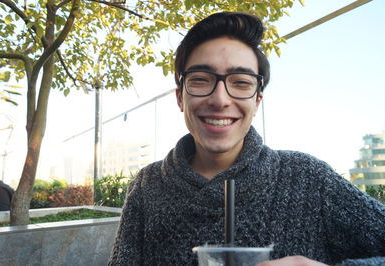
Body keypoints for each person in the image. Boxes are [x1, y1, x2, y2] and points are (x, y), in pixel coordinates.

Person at [108, 12, 385, 266]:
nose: (220, 99)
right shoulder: (147, 188)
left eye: (240, 82)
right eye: (201, 79)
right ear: (180, 96)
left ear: (257, 101)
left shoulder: (309, 179)